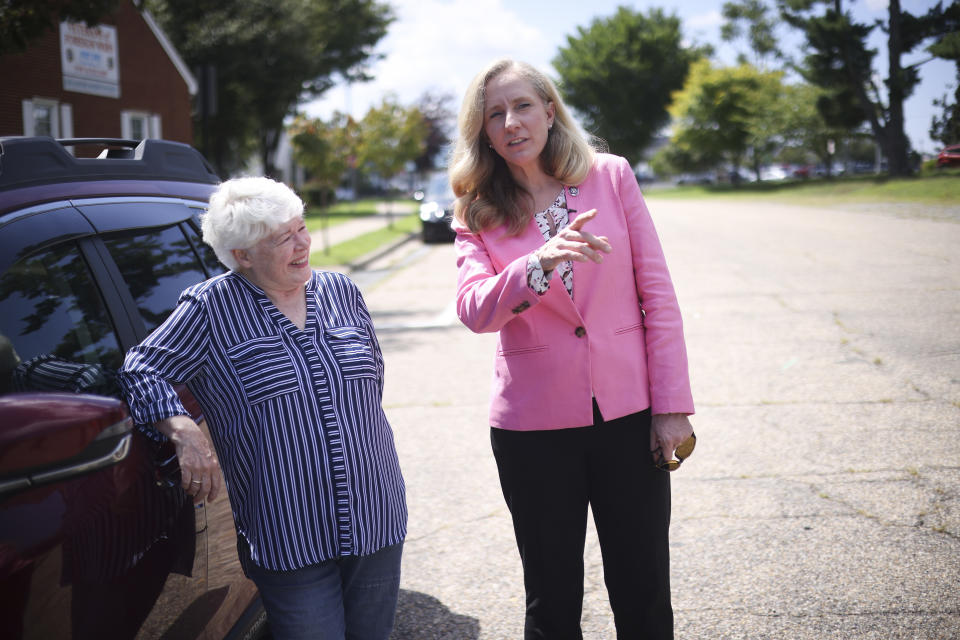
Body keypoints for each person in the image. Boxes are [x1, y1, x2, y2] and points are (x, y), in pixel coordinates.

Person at [450, 58, 696, 639]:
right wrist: (537, 264)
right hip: (532, 430)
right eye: (495, 114)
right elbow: (475, 309)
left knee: (643, 594)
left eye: (523, 106)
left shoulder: (610, 176)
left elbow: (657, 297)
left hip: (627, 416)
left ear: (550, 109)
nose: (511, 122)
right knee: (552, 602)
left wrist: (671, 407)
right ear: (482, 130)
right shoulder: (476, 209)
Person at [118, 177, 406, 640]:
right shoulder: (210, 308)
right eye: (282, 238)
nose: (302, 243)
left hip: (375, 514)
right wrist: (185, 430)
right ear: (243, 255)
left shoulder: (341, 292)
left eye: (301, 227)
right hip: (288, 534)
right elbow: (141, 369)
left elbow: (370, 386)